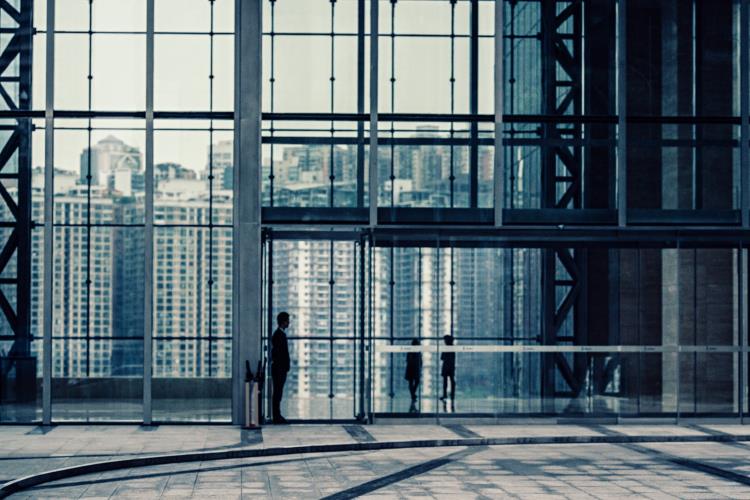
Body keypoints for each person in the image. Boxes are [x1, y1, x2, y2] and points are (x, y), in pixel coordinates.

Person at [271, 311, 291, 424]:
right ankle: (276, 416)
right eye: (287, 320)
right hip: (279, 369)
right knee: (278, 392)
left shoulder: (279, 334)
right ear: (283, 322)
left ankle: (277, 415)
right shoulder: (279, 335)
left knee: (278, 392)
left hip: (280, 368)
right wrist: (285, 365)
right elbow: (280, 353)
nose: (289, 322)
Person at [404, 338, 422, 412]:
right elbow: (409, 360)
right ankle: (413, 395)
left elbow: (420, 360)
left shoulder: (417, 351)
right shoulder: (412, 351)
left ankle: (413, 394)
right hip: (412, 368)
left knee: (414, 382)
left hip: (414, 368)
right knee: (412, 382)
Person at [440, 335, 456, 406]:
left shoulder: (446, 348)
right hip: (451, 366)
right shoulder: (453, 348)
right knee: (452, 380)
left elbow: (442, 357)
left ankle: (445, 395)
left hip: (446, 366)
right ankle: (452, 395)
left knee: (445, 382)